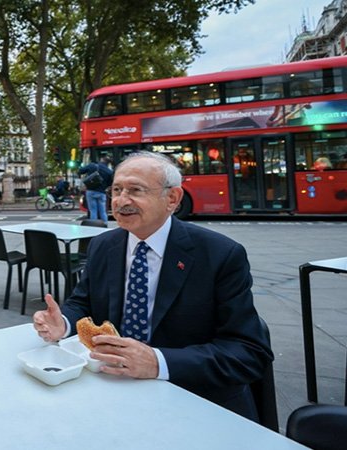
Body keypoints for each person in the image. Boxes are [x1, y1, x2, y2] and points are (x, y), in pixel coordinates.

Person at [33, 151, 272, 422]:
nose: (122, 201)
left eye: (135, 190)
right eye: (116, 190)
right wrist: (62, 323)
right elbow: (83, 303)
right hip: (113, 393)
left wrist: (158, 362)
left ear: (172, 198)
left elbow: (248, 352)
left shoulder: (220, 255)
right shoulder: (103, 245)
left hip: (193, 403)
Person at [78, 156, 113, 224]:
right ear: (108, 163)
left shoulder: (92, 166)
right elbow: (109, 183)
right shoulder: (109, 171)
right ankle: (105, 224)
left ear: (101, 159)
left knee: (93, 210)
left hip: (91, 191)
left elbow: (81, 171)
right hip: (101, 192)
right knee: (102, 211)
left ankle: (94, 225)